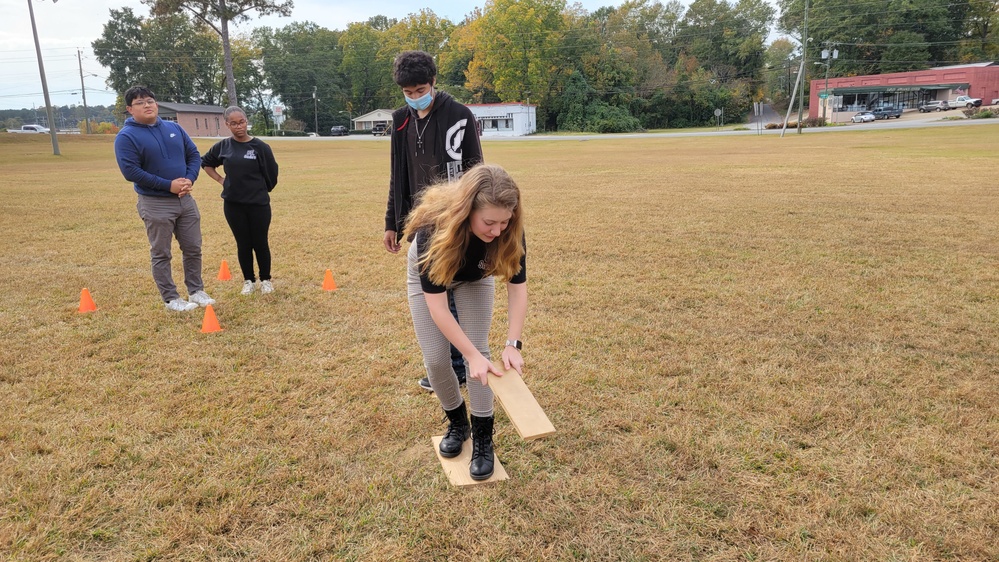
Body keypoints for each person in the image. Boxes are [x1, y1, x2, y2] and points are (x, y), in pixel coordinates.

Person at [403, 164, 527, 481]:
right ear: (467, 210)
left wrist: (512, 344)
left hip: (475, 278)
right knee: (435, 358)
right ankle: (458, 422)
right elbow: (439, 309)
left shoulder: (508, 230)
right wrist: (467, 355)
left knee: (480, 354)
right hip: (432, 277)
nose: (497, 231)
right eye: (489, 222)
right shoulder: (432, 232)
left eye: (504, 221)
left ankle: (483, 437)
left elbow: (517, 288)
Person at [384, 50, 484, 392]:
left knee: (453, 295)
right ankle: (450, 365)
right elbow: (397, 176)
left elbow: (477, 173)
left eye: (420, 90)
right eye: (408, 92)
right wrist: (392, 223)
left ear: (433, 82)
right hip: (420, 226)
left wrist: (472, 220)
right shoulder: (400, 121)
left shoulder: (459, 116)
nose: (414, 97)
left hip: (454, 221)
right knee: (434, 298)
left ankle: (459, 365)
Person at [114, 85, 215, 312]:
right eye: (140, 103)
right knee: (161, 252)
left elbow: (193, 155)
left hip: (185, 200)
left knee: (193, 247)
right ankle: (171, 299)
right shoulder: (126, 137)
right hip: (155, 202)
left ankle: (196, 290)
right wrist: (168, 186)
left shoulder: (174, 128)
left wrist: (189, 179)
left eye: (150, 100)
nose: (147, 105)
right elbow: (131, 172)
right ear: (130, 109)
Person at [201, 106, 280, 296]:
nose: (239, 127)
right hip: (233, 204)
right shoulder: (223, 146)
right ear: (227, 125)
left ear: (247, 121)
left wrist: (261, 189)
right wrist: (221, 180)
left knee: (260, 242)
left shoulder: (260, 147)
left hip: (258, 204)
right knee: (243, 243)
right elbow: (206, 162)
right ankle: (249, 280)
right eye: (234, 123)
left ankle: (266, 280)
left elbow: (272, 174)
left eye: (242, 122)